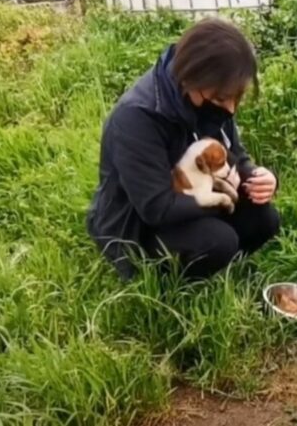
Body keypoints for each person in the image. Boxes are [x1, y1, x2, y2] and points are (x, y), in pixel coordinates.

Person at [86, 17, 280, 282]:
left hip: (192, 198)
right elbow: (156, 208)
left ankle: (213, 267)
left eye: (237, 98)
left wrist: (258, 177)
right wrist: (220, 201)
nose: (231, 109)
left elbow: (235, 156)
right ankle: (164, 282)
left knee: (265, 218)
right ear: (192, 78)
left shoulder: (209, 99)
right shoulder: (137, 118)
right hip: (139, 227)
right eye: (223, 98)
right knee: (218, 240)